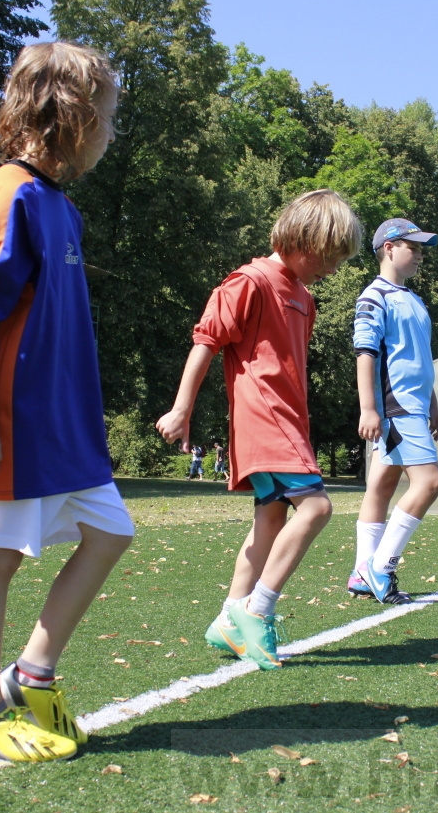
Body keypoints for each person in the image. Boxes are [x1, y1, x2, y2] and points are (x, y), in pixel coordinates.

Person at [0, 42, 133, 763]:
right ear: (69, 115)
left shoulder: (61, 208)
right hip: (8, 428)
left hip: (62, 431)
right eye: (107, 114)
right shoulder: (10, 193)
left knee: (111, 531)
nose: (112, 130)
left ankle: (34, 671)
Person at [157, 189, 362, 670]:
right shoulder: (249, 282)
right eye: (329, 257)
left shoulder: (304, 297)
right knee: (316, 507)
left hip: (290, 421)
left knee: (270, 520)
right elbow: (206, 341)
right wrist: (182, 408)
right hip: (265, 419)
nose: (333, 269)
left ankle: (229, 617)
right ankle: (257, 610)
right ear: (303, 240)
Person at [349, 218, 438, 604]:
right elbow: (365, 353)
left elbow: (419, 358)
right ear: (389, 248)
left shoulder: (415, 300)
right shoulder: (374, 296)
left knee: (382, 485)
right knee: (429, 483)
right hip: (396, 407)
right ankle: (380, 567)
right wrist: (368, 409)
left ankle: (361, 573)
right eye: (413, 247)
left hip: (414, 408)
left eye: (421, 249)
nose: (420, 255)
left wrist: (432, 404)